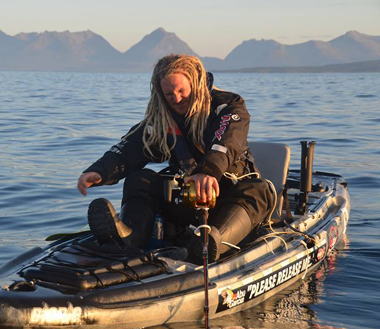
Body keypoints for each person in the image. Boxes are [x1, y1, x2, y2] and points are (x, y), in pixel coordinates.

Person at [77, 54, 274, 262]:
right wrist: (100, 170)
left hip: (226, 195)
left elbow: (227, 140)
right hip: (187, 198)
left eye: (182, 91)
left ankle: (212, 243)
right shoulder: (163, 118)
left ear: (195, 84)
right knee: (141, 179)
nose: (176, 99)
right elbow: (132, 146)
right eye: (169, 94)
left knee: (259, 190)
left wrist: (207, 172)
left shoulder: (228, 105)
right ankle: (129, 236)